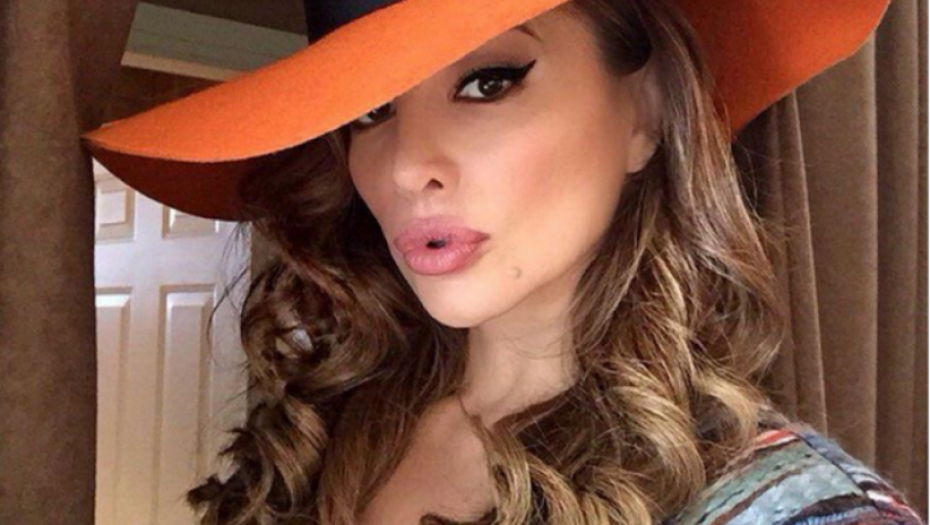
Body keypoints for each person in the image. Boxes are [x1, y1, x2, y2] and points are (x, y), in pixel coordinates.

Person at [81, 0, 924, 524]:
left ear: (647, 112)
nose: (406, 166)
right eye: (371, 112)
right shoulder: (327, 428)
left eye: (488, 82)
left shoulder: (788, 506)